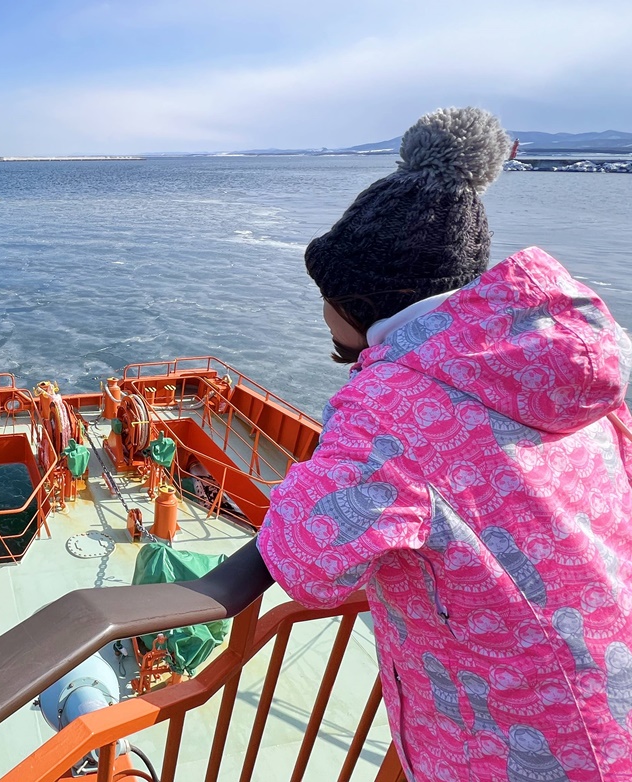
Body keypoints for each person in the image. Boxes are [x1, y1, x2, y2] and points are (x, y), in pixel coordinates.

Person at [250, 107, 632, 780]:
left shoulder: (389, 410)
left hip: (515, 744)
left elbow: (306, 563)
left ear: (361, 302)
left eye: (325, 294)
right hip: (611, 707)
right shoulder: (554, 364)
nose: (320, 311)